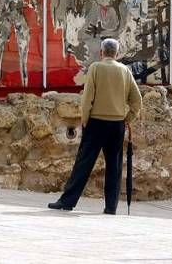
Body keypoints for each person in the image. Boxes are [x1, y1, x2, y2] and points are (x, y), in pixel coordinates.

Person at [48, 38, 142, 214]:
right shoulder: (125, 70)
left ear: (101, 52)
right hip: (117, 124)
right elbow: (137, 101)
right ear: (116, 53)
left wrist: (85, 120)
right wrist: (127, 118)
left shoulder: (95, 68)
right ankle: (111, 207)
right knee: (114, 166)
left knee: (83, 163)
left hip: (96, 123)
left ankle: (67, 201)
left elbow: (87, 98)